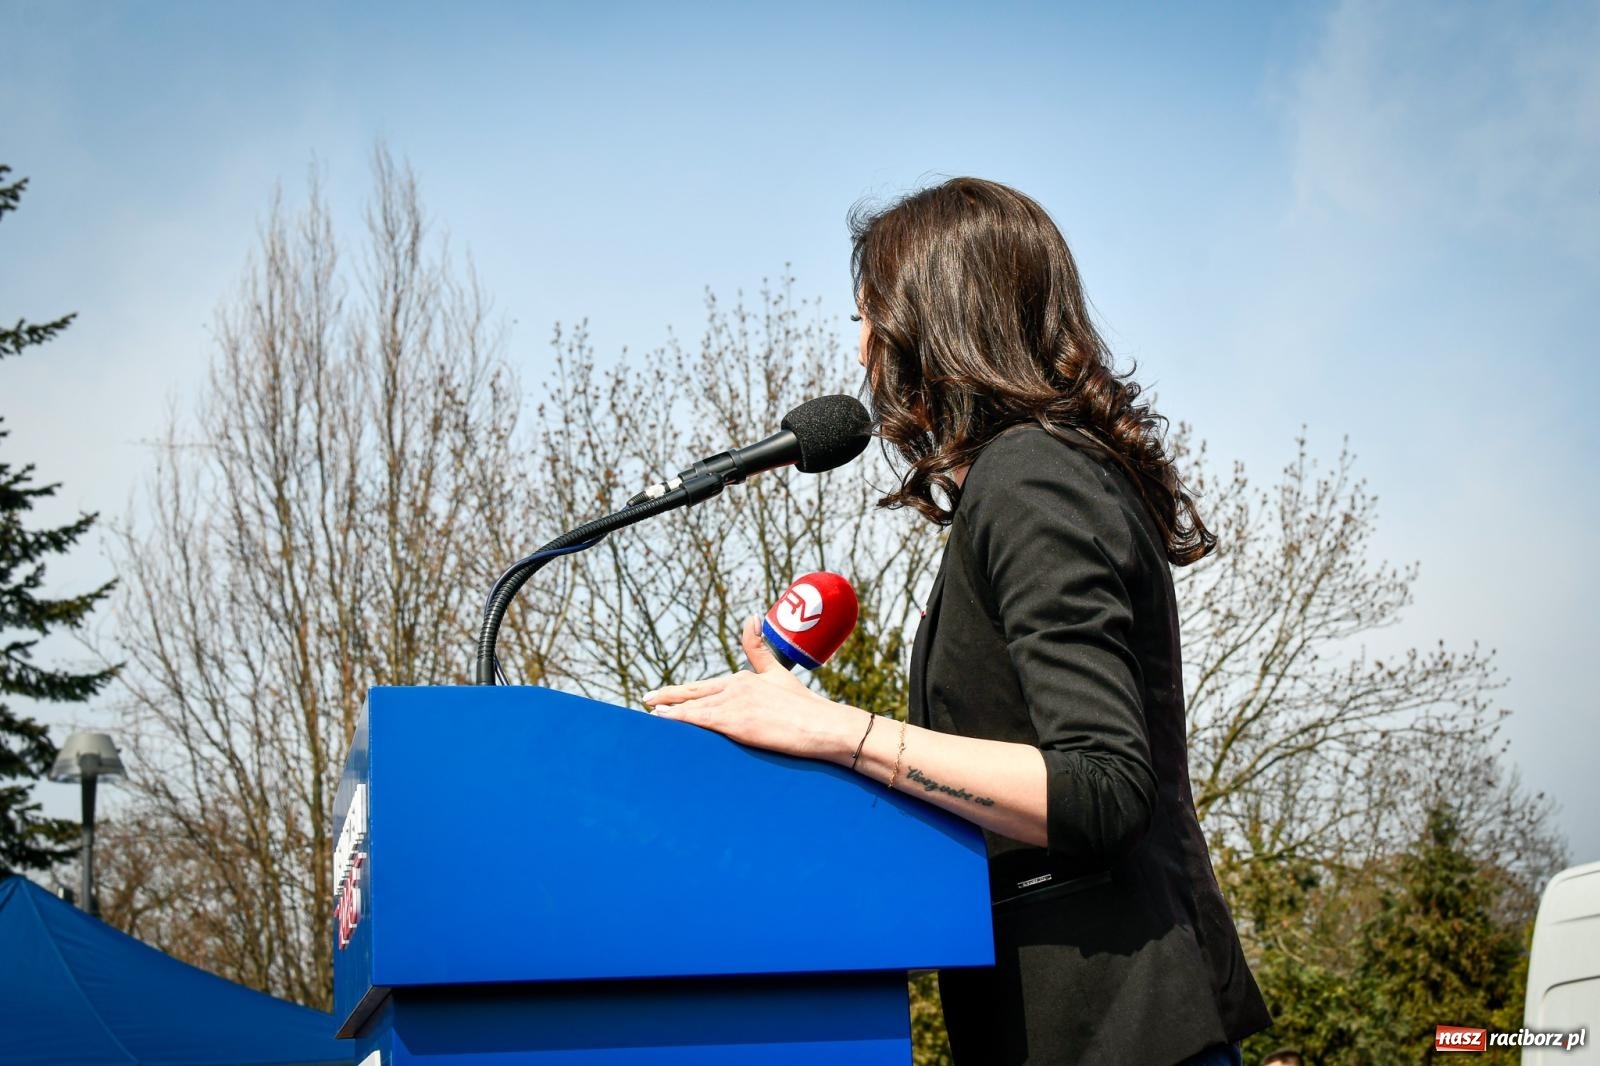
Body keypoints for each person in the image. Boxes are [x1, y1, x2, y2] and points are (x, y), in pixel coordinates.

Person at [642, 177, 1272, 1065]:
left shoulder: (1030, 478)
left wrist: (837, 733)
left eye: (867, 317)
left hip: (1120, 1026)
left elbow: (1102, 787)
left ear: (928, 325)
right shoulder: (1029, 479)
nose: (859, 347)